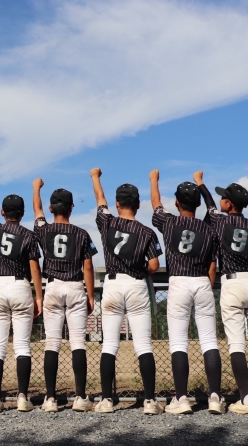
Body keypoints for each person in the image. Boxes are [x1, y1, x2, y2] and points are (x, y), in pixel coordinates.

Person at [194, 171, 248, 415]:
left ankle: (245, 400)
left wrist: (200, 184)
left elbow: (209, 205)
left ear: (230, 204)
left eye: (224, 198)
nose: (221, 200)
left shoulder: (220, 222)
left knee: (237, 344)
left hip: (232, 283)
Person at [149, 169, 223, 415]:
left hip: (179, 282)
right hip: (202, 281)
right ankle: (215, 397)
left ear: (177, 203)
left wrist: (154, 180)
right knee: (209, 341)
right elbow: (213, 208)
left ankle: (181, 399)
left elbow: (156, 203)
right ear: (198, 203)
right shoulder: (209, 227)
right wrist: (201, 183)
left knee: (179, 342)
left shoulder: (169, 222)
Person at [90, 167, 163, 415]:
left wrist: (95, 177)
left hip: (112, 283)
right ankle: (150, 401)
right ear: (138, 204)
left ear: (118, 204)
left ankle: (107, 400)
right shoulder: (147, 231)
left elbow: (100, 199)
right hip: (136, 284)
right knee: (143, 345)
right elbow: (154, 265)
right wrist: (141, 271)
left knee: (110, 344)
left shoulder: (107, 222)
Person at [32, 178, 97, 413]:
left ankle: (50, 398)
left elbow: (37, 211)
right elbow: (88, 267)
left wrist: (36, 189)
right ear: (72, 207)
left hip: (53, 286)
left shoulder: (44, 230)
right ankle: (80, 397)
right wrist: (91, 295)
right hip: (75, 285)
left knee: (52, 342)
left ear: (51, 208)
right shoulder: (81, 233)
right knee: (78, 341)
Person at [0, 175, 43, 413]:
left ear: (3, 212)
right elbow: (35, 268)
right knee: (22, 346)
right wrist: (39, 296)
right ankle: (22, 397)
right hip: (20, 286)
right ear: (22, 213)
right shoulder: (29, 235)